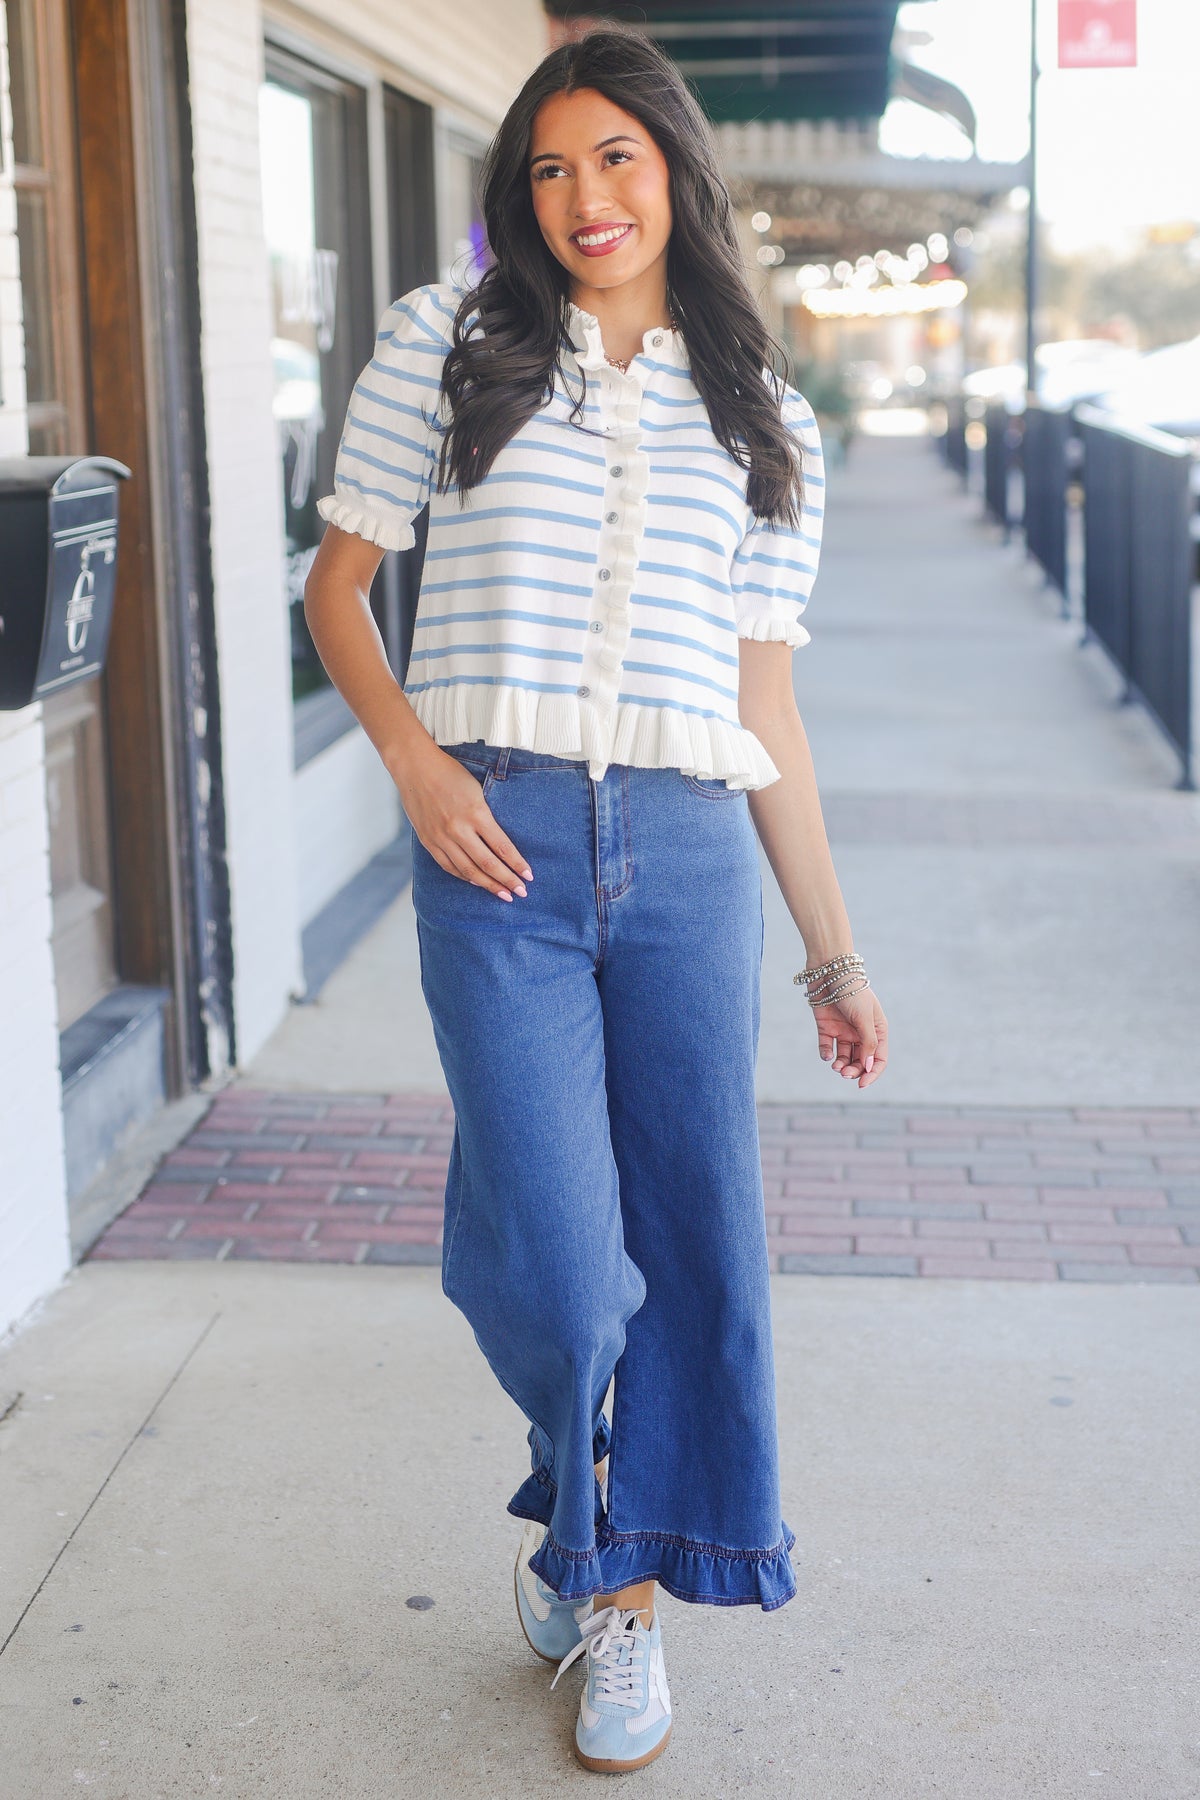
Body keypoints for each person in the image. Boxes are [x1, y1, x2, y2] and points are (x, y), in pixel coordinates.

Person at [304, 25, 889, 1776]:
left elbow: (768, 711)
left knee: (695, 1240)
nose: (584, 197)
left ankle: (619, 1593)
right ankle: (585, 1509)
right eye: (550, 168)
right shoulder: (449, 338)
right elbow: (339, 587)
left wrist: (834, 955)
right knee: (562, 1275)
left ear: (676, 172)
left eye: (615, 158)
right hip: (499, 847)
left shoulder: (763, 412)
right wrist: (418, 765)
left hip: (691, 854)